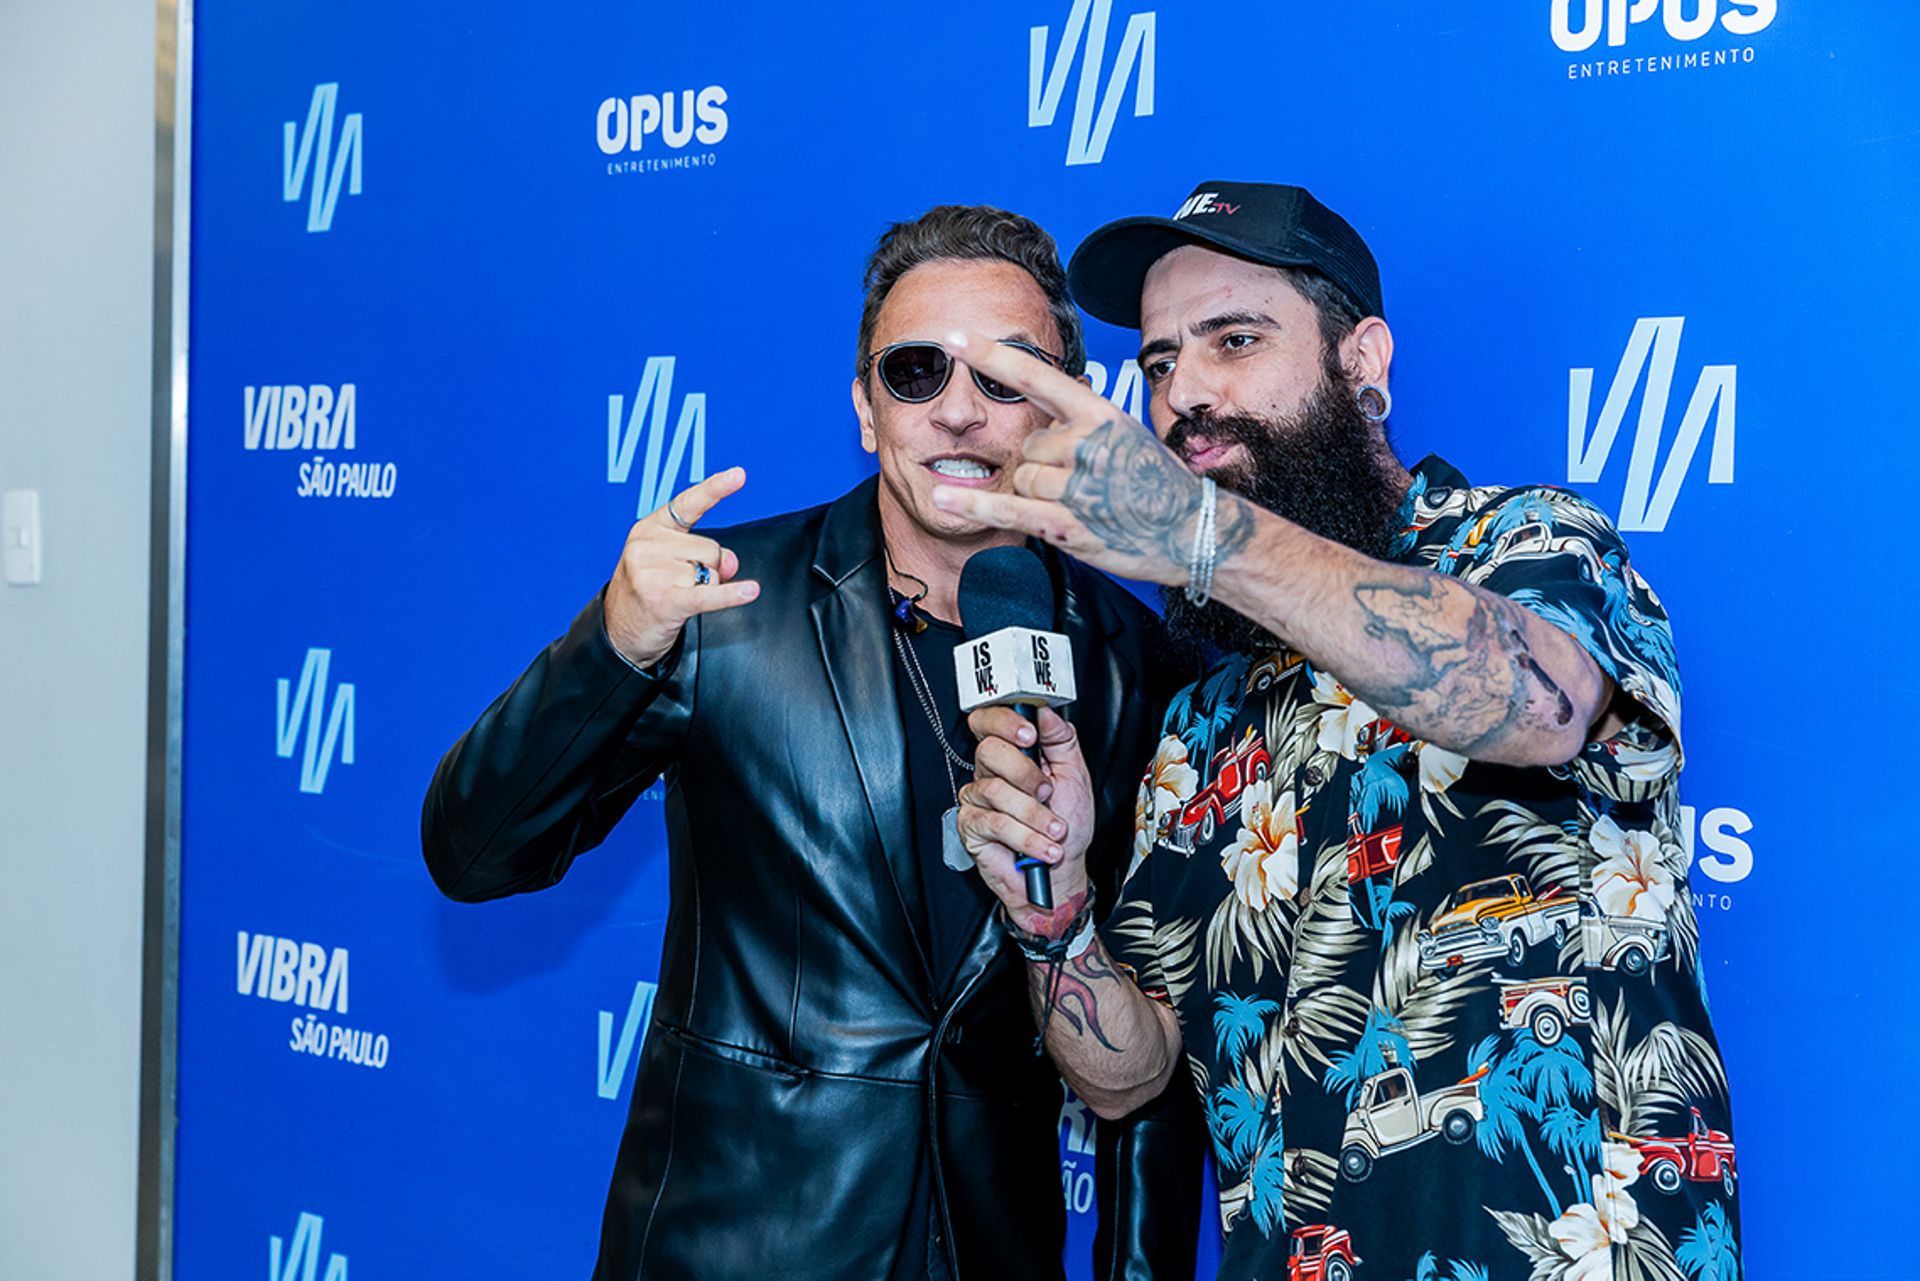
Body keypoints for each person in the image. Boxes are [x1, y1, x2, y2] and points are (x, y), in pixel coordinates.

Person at [944, 182, 1739, 1281]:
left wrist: (1200, 534)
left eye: (1236, 340)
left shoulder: (1528, 548)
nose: (1185, 397)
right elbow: (1125, 1075)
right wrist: (1058, 909)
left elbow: (1535, 704)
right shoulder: (1203, 725)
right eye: (1162, 362)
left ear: (1364, 360)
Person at [421, 204, 1201, 1281]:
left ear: (1068, 405)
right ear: (867, 410)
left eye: (1007, 374)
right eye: (916, 372)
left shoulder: (1131, 656)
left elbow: (1158, 1057)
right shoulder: (721, 603)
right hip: (739, 1243)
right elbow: (474, 852)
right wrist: (613, 645)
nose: (960, 412)